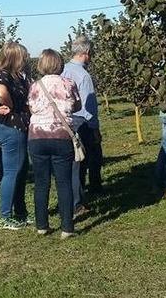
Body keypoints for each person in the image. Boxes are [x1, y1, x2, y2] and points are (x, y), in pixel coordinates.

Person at [28, 49, 81, 238]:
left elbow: (31, 107)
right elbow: (77, 106)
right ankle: (67, 227)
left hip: (37, 136)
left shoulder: (35, 86)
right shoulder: (68, 83)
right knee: (64, 182)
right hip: (61, 135)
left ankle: (42, 224)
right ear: (59, 64)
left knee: (41, 182)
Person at [0, 42, 32, 230]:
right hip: (9, 127)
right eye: (24, 56)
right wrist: (12, 104)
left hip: (15, 127)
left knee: (20, 170)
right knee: (12, 172)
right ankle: (5, 216)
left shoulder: (17, 76)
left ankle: (21, 212)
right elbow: (0, 92)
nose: (26, 60)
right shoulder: (3, 75)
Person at [61, 36, 103, 215]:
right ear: (86, 53)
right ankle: (81, 200)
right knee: (85, 160)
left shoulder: (62, 70)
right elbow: (88, 106)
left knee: (74, 162)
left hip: (66, 123)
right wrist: (95, 128)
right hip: (82, 123)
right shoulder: (84, 76)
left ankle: (79, 195)